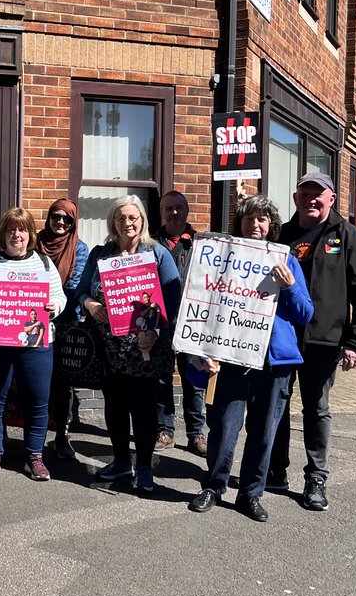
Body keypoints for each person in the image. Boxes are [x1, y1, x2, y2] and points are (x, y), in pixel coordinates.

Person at [188, 195, 313, 522]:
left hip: (273, 363)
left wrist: (290, 288)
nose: (255, 225)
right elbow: (201, 305)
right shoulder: (221, 258)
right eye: (248, 219)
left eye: (261, 219)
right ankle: (214, 485)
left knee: (263, 431)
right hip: (230, 357)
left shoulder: (287, 260)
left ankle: (251, 493)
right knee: (223, 426)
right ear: (239, 223)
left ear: (272, 224)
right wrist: (204, 351)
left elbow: (304, 314)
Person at [269, 171, 356, 511]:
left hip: (325, 341)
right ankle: (275, 470)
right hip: (282, 339)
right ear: (296, 198)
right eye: (305, 193)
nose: (311, 199)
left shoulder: (348, 236)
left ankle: (316, 478)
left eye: (319, 194)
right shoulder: (280, 235)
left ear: (331, 198)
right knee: (277, 408)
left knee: (316, 409)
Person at [77, 195, 181, 493]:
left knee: (144, 409)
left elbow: (172, 301)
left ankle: (145, 466)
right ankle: (122, 460)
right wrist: (91, 305)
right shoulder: (101, 254)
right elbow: (82, 291)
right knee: (115, 406)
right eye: (121, 218)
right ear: (113, 222)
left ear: (142, 220)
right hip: (109, 348)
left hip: (146, 348)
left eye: (133, 217)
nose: (127, 223)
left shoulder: (158, 254)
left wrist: (156, 332)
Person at [0, 207, 65, 483]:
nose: (17, 234)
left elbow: (60, 298)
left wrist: (53, 308)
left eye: (23, 229)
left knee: (37, 400)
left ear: (31, 234)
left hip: (35, 344)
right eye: (12, 229)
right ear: (4, 234)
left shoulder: (45, 264)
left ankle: (35, 456)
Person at [152, 190, 207, 456]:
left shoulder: (201, 244)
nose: (175, 213)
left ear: (187, 211)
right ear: (162, 212)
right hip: (161, 322)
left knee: (194, 379)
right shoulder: (151, 243)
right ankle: (165, 430)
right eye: (169, 208)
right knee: (162, 379)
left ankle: (196, 433)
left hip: (192, 322)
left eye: (179, 208)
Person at [37, 198, 89, 460]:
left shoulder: (79, 248)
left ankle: (61, 434)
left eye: (66, 219)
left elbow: (75, 285)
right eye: (56, 216)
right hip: (34, 319)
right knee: (35, 377)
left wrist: (48, 296)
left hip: (66, 321)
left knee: (62, 380)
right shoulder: (36, 243)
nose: (60, 222)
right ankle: (33, 436)